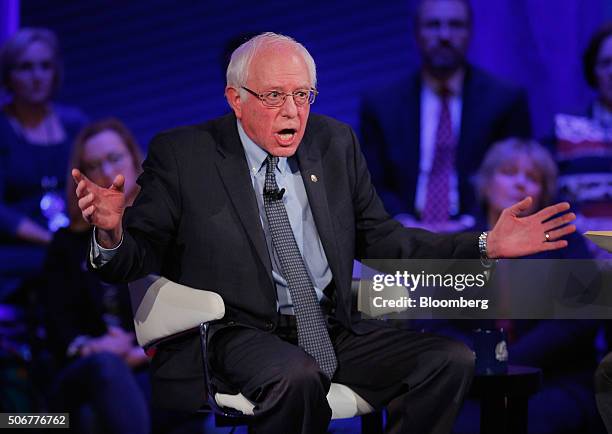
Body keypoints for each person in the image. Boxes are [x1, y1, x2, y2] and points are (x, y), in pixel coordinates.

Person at [73, 33, 575, 434]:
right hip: (238, 333)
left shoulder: (334, 143)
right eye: (274, 96)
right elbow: (134, 258)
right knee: (297, 376)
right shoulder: (186, 156)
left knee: (448, 360)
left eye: (302, 95)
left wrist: (486, 243)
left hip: (330, 327)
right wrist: (112, 231)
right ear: (236, 99)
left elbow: (384, 239)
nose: (292, 111)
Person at [449, 138, 602, 434]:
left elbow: (579, 319)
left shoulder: (567, 243)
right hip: (472, 382)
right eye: (508, 172)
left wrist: (507, 363)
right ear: (485, 184)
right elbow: (434, 320)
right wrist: (478, 362)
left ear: (543, 194)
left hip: (552, 379)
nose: (520, 183)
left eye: (532, 179)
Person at [359, 0, 531, 231]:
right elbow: (371, 180)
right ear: (417, 33)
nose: (444, 35)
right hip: (401, 236)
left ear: (470, 32)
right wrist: (401, 222)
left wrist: (469, 223)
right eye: (433, 25)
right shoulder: (381, 104)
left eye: (456, 25)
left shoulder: (505, 100)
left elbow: (516, 178)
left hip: (481, 233)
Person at [42, 118, 151, 434]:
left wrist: (138, 351)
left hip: (153, 360)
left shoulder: (165, 224)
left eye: (114, 159)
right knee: (108, 370)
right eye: (94, 165)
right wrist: (90, 347)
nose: (106, 172)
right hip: (92, 366)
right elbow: (56, 323)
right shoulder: (66, 245)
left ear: (133, 158)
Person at [0, 27, 87, 300]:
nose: (37, 77)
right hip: (18, 248)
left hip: (70, 238)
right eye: (25, 68)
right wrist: (50, 241)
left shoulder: (74, 124)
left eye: (45, 66)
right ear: (8, 76)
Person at [554, 21, 612, 259]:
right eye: (606, 63)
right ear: (592, 71)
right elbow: (548, 203)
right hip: (581, 261)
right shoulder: (563, 129)